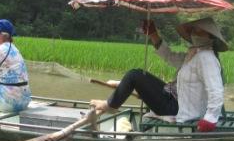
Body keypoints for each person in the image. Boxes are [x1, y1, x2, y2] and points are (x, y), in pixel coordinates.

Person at [90, 17, 227, 132]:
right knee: (140, 76)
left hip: (178, 109)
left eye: (197, 30)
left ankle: (110, 105)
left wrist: (209, 119)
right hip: (174, 98)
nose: (192, 33)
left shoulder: (206, 58)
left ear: (209, 36)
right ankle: (113, 102)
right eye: (192, 30)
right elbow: (169, 56)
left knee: (135, 75)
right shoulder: (194, 54)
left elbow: (216, 91)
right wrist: (153, 34)